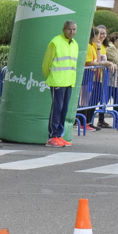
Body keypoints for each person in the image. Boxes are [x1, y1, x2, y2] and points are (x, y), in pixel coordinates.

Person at [41, 20, 79, 148]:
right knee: (57, 109)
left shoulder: (75, 44)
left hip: (69, 82)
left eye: (74, 29)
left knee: (64, 110)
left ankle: (59, 135)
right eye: (69, 29)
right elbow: (47, 63)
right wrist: (50, 76)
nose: (72, 32)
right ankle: (52, 136)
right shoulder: (55, 42)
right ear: (64, 29)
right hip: (57, 81)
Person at [98, 31, 118, 129]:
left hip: (115, 80)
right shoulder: (111, 48)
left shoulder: (117, 48)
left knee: (117, 99)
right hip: (109, 79)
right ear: (114, 40)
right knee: (106, 100)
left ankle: (116, 119)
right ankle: (101, 120)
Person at [81, 25, 111, 131]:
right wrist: (99, 63)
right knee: (85, 100)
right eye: (99, 34)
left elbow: (97, 59)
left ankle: (87, 122)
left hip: (94, 75)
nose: (100, 37)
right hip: (88, 74)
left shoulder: (95, 45)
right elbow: (90, 61)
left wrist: (98, 47)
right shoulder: (89, 46)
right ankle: (82, 122)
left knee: (89, 99)